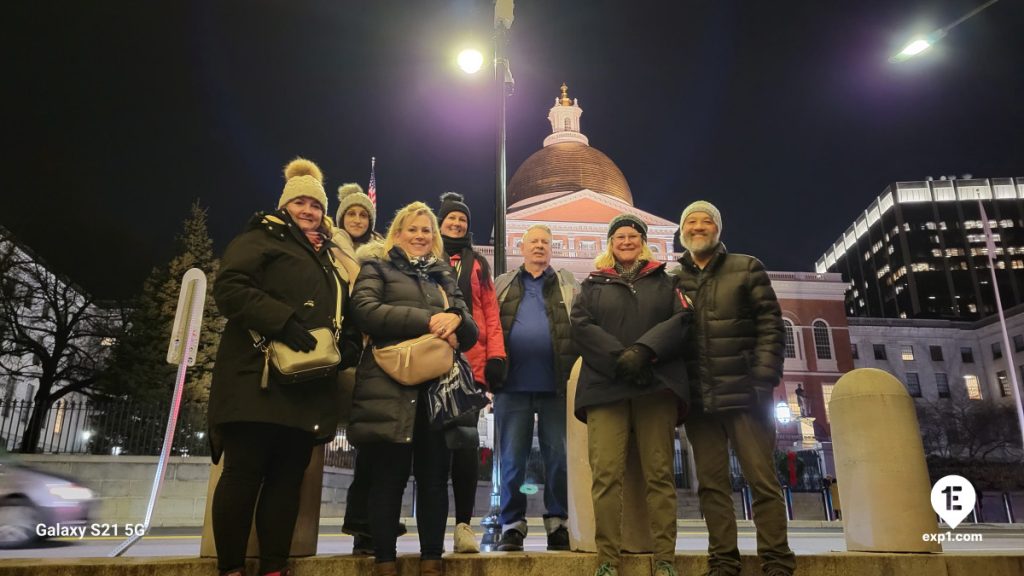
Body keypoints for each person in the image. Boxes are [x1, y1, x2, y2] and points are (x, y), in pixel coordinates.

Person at [209, 158, 361, 576]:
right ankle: (231, 568)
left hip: (307, 385)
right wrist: (282, 321)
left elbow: (340, 310)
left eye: (316, 205)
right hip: (256, 379)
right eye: (301, 203)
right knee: (243, 475)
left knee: (286, 481)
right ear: (285, 205)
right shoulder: (262, 236)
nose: (308, 210)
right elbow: (230, 287)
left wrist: (348, 343)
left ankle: (274, 566)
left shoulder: (328, 256)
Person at [348, 201, 479, 576]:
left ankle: (432, 561)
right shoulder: (377, 267)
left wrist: (456, 320)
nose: (420, 236)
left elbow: (470, 330)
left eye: (426, 230)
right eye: (413, 229)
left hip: (436, 391)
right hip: (389, 385)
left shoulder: (443, 275)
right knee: (388, 479)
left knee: (435, 479)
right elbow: (365, 311)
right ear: (397, 233)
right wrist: (430, 320)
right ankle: (385, 562)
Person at [672, 200, 796, 576]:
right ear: (682, 231)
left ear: (717, 229)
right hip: (700, 401)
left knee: (762, 480)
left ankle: (776, 560)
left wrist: (762, 379)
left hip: (746, 395)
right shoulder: (673, 279)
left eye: (705, 221)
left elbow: (771, 326)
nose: (698, 227)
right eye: (691, 222)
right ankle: (723, 560)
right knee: (712, 486)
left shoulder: (746, 267)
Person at [571, 214, 692, 576]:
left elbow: (682, 321)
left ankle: (665, 559)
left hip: (655, 385)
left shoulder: (666, 282)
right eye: (619, 236)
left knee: (660, 474)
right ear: (610, 244)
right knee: (606, 475)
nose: (626, 241)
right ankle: (607, 559)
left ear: (643, 242)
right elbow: (581, 326)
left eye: (633, 236)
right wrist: (619, 359)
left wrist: (643, 351)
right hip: (606, 388)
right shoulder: (592, 285)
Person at [329, 183, 406, 555]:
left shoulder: (380, 254)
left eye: (364, 214)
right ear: (342, 217)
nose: (358, 219)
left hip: (374, 355)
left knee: (375, 446)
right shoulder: (329, 247)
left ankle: (369, 526)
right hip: (341, 350)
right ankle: (363, 521)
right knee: (361, 444)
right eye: (352, 213)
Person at [492, 224, 579, 552]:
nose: (539, 246)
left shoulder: (568, 284)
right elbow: (489, 326)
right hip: (511, 386)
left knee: (559, 458)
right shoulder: (503, 283)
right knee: (512, 460)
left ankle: (558, 524)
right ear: (522, 247)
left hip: (557, 386)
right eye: (534, 242)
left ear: (551, 248)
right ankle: (511, 526)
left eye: (545, 242)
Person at [437, 192, 506, 554]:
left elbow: (490, 313)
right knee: (433, 450)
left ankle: (463, 526)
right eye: (451, 218)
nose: (457, 224)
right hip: (430, 361)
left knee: (465, 445)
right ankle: (432, 528)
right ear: (441, 222)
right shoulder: (427, 256)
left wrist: (497, 356)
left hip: (469, 365)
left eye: (462, 220)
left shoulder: (477, 264)